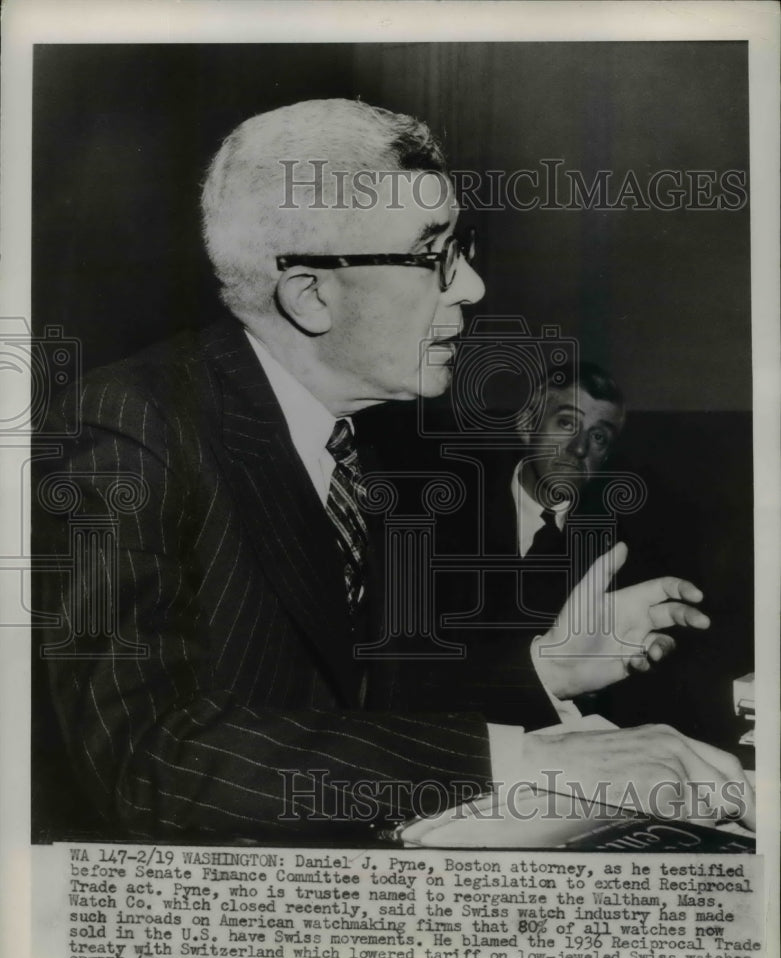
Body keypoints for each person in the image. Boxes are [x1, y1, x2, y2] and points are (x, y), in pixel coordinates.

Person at [34, 98, 753, 840]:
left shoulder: (369, 443)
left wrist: (549, 667)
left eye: (461, 245)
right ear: (311, 295)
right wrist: (528, 761)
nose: (469, 286)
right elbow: (154, 762)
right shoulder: (122, 429)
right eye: (433, 252)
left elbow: (351, 705)